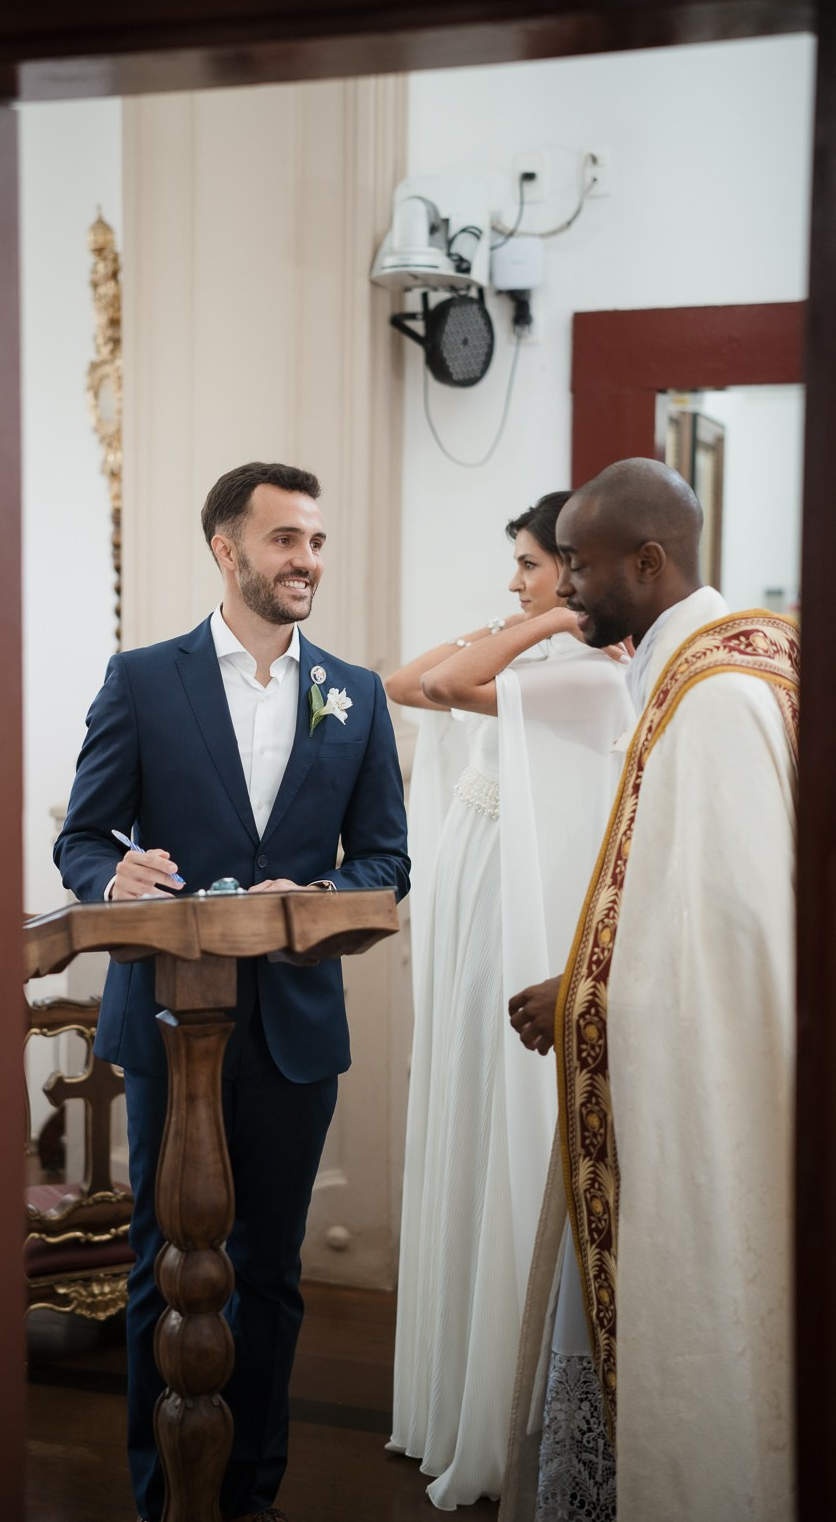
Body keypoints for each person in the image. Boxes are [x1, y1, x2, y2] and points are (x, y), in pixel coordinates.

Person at [53, 461, 409, 1522]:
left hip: (296, 1028)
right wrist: (110, 874)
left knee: (271, 1268)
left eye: (317, 541)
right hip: (169, 1020)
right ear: (227, 551)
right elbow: (82, 835)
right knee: (164, 1263)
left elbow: (385, 861)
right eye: (287, 540)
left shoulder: (356, 694)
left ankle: (250, 1493)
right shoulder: (142, 679)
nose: (308, 560)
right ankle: (164, 1495)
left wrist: (320, 897)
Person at [503, 457, 799, 1522]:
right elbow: (671, 911)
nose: (565, 586)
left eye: (578, 565)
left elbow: (730, 949)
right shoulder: (708, 668)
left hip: (696, 1106)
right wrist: (581, 975)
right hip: (645, 1050)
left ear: (648, 559)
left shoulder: (717, 698)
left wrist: (584, 999)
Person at [384, 492, 632, 1508]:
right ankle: (446, 1390)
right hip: (472, 904)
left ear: (576, 573)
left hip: (515, 914)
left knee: (499, 1118)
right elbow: (403, 682)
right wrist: (532, 616)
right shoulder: (537, 655)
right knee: (460, 1106)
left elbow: (445, 684)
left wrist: (551, 619)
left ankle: (498, 1400)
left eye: (533, 564)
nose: (517, 583)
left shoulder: (588, 676)